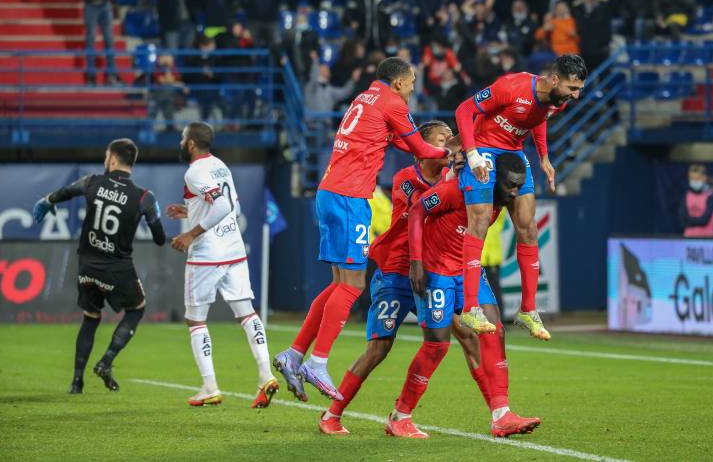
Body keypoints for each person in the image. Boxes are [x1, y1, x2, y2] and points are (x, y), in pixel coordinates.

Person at [273, 58, 454, 401]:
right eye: (412, 81)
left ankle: (295, 354)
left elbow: (401, 142)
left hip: (329, 191)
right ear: (399, 82)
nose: (414, 87)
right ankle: (318, 361)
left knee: (339, 284)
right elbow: (418, 147)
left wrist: (438, 151)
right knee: (354, 285)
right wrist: (456, 154)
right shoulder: (393, 102)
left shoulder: (365, 98)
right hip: (350, 197)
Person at [317, 121, 483, 433]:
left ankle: (497, 411)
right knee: (379, 349)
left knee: (466, 336)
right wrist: (453, 175)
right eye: (441, 138)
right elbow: (422, 206)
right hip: (396, 272)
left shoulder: (454, 180)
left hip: (433, 273)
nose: (449, 144)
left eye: (451, 139)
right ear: (422, 148)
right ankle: (331, 414)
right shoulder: (406, 178)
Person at [386, 152, 540, 439]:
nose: (515, 193)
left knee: (495, 330)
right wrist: (416, 261)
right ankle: (400, 416)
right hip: (435, 270)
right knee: (437, 345)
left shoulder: (503, 198)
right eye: (510, 186)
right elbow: (419, 210)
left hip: (467, 270)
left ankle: (501, 414)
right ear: (493, 179)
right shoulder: (457, 190)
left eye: (520, 186)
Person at [454, 54, 588, 337]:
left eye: (578, 90)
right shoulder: (511, 86)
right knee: (478, 222)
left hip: (514, 152)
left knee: (528, 227)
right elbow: (465, 110)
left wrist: (543, 157)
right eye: (572, 88)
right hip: (484, 148)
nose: (575, 96)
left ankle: (528, 310)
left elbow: (538, 118)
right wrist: (472, 153)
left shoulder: (557, 101)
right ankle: (469, 308)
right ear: (554, 80)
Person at [32, 139, 166, 394]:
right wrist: (154, 214)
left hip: (87, 267)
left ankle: (76, 383)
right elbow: (160, 239)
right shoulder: (144, 197)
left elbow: (66, 192)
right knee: (137, 308)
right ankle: (106, 362)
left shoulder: (92, 181)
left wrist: (48, 200)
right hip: (117, 268)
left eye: (107, 156)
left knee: (91, 317)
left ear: (113, 159)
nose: (106, 160)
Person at [166, 122, 278, 407]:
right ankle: (265, 374)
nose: (180, 142)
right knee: (247, 314)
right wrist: (189, 211)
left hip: (207, 254)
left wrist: (191, 233)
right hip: (233, 248)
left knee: (196, 320)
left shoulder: (194, 172)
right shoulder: (220, 165)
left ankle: (210, 385)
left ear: (191, 143)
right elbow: (232, 206)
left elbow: (222, 207)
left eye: (182, 138)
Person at [681, 164, 713, 237]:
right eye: (692, 179)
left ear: (704, 178)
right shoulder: (686, 196)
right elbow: (682, 221)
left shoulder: (710, 196)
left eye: (697, 178)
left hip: (707, 238)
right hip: (688, 238)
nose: (694, 181)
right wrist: (697, 220)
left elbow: (704, 220)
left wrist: (690, 221)